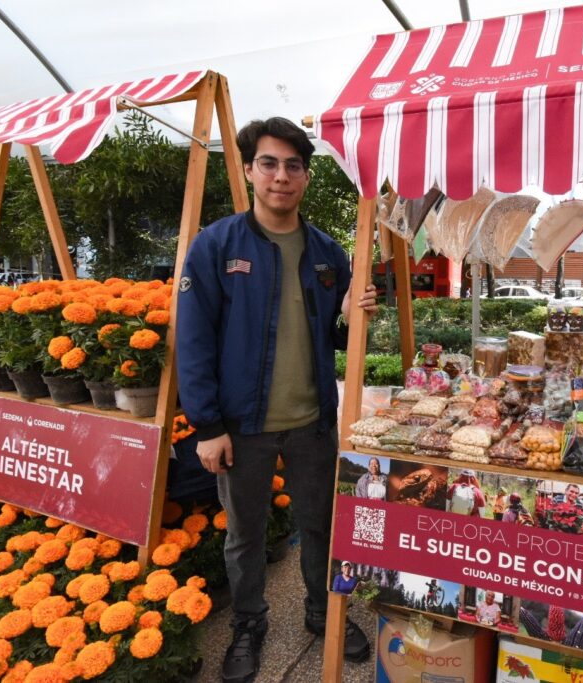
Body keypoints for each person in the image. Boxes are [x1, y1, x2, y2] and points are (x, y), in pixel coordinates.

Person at [177, 117, 379, 681]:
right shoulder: (216, 247)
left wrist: (349, 316)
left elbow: (336, 336)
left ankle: (323, 612)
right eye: (269, 163)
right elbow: (192, 341)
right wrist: (207, 426)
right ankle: (248, 623)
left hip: (313, 421)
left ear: (307, 177)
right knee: (245, 535)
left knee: (320, 524)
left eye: (294, 166)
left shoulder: (327, 253)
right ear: (249, 170)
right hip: (242, 427)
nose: (281, 176)